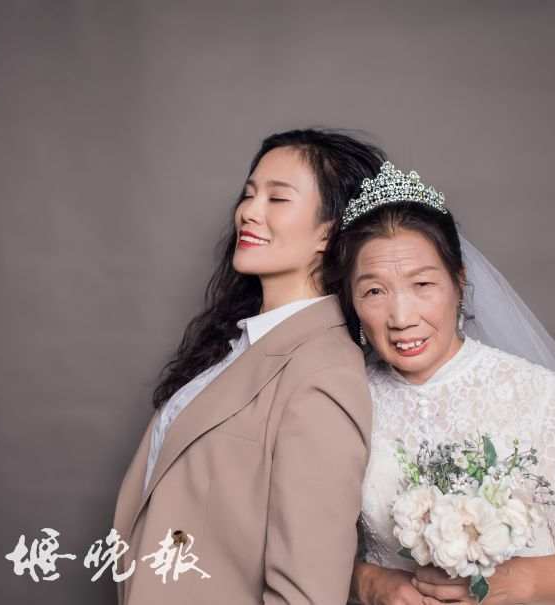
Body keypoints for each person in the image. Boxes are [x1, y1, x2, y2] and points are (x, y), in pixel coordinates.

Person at [322, 162, 555, 605]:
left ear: (458, 284)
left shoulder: (535, 393)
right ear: (354, 302)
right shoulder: (343, 399)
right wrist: (369, 582)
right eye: (375, 292)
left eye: (422, 284)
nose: (401, 318)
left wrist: (517, 581)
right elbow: (303, 550)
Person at [111, 129, 387, 604]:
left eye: (277, 198)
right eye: (249, 194)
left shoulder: (323, 376)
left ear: (329, 230)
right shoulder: (238, 345)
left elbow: (308, 594)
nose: (249, 212)